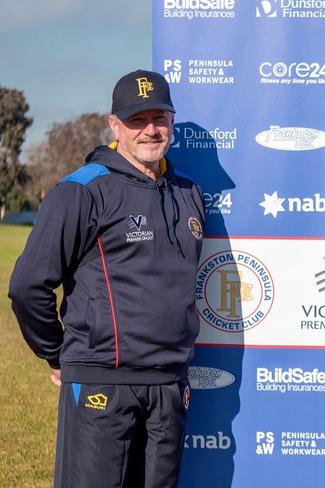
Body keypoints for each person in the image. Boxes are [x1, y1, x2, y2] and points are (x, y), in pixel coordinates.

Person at [9, 69, 204, 488]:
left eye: (159, 117)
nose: (150, 130)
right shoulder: (81, 190)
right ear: (114, 125)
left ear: (171, 120)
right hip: (102, 387)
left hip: (168, 387)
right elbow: (28, 285)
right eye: (137, 120)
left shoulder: (189, 193)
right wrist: (61, 356)